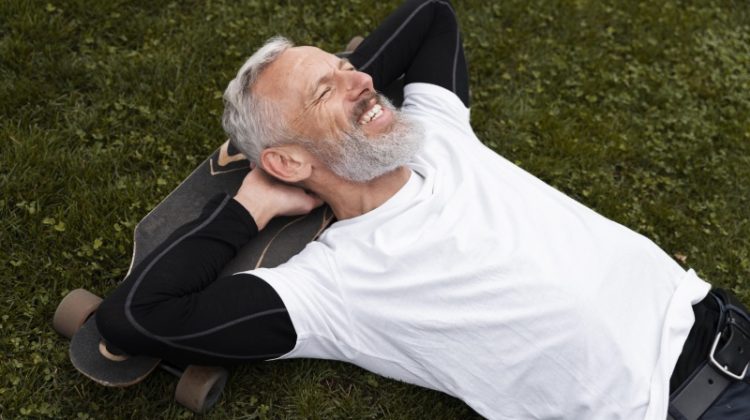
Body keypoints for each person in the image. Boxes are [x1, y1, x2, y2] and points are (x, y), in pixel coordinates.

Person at [95, 0, 750, 418]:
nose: (364, 79)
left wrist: (341, 100)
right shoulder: (335, 289)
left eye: (350, 67)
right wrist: (246, 208)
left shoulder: (438, 130)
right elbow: (135, 317)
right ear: (290, 162)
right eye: (330, 86)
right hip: (677, 406)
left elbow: (431, 16)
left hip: (723, 316)